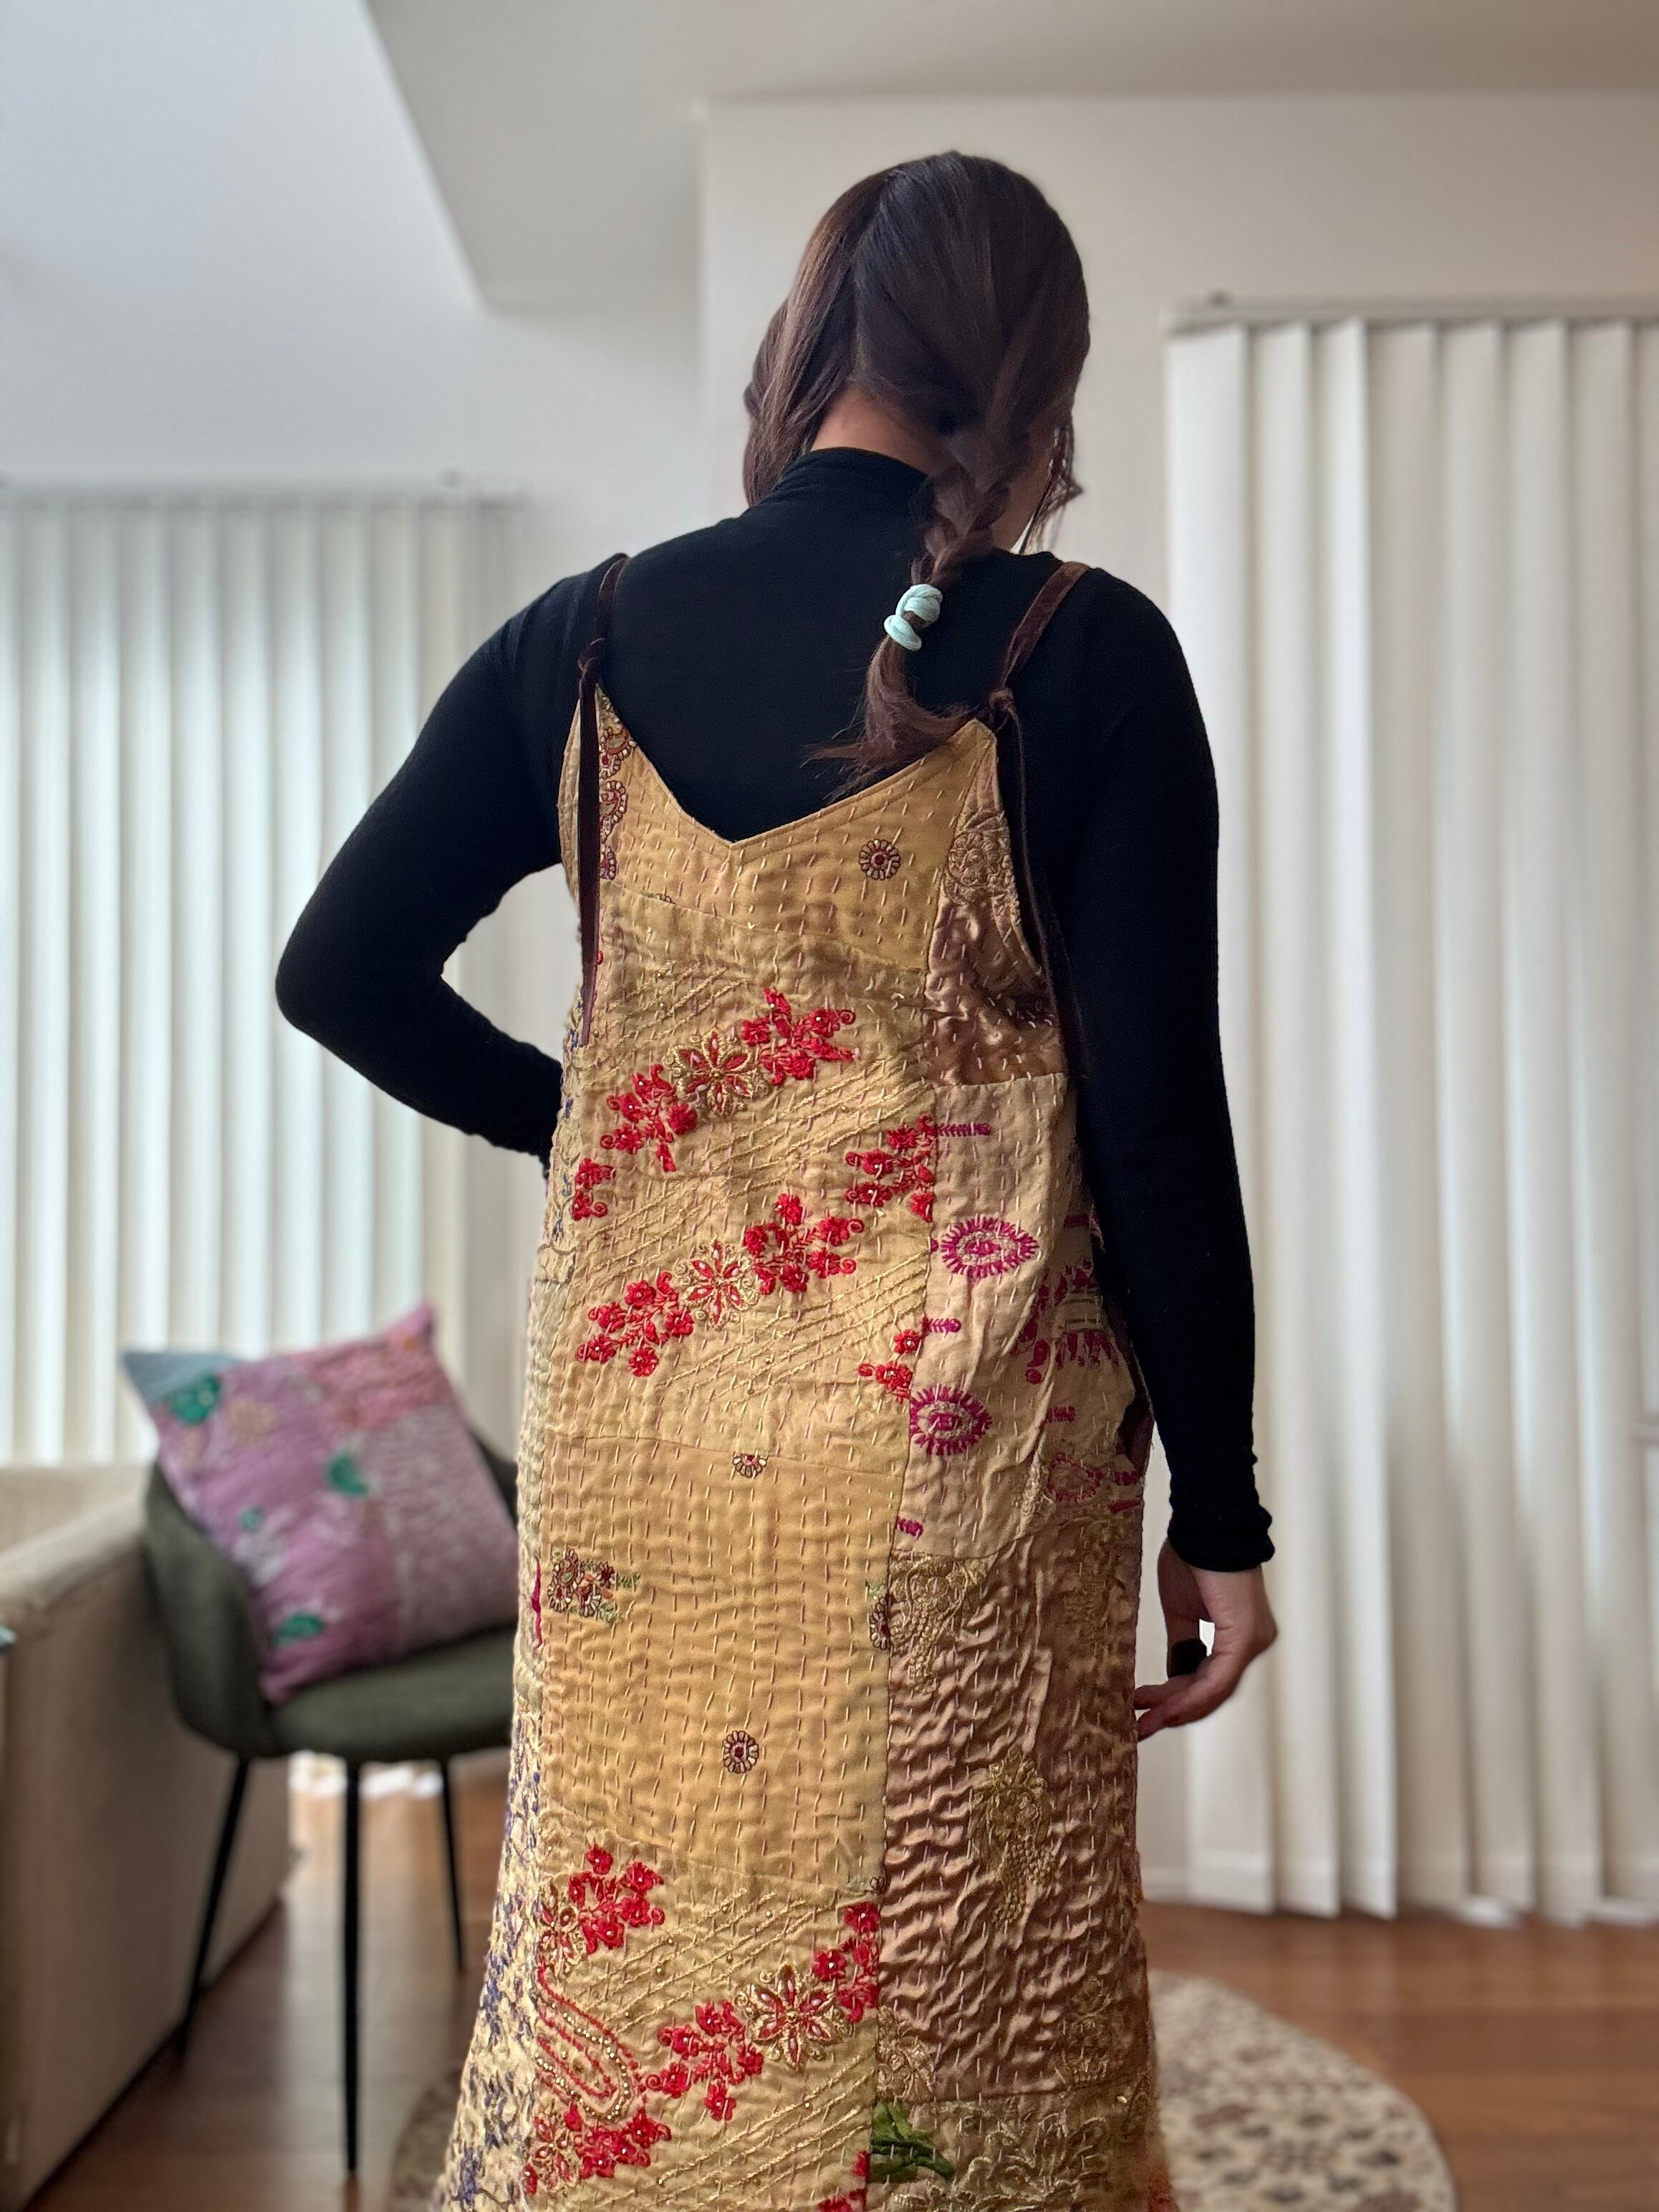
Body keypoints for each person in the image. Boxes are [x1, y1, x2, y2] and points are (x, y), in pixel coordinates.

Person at [279, 150, 1276, 2212]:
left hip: (642, 1475)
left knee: (643, 1990)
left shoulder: (579, 641)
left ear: (809, 341)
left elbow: (339, 972)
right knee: (968, 2000)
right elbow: (1157, 1129)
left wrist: (590, 1123)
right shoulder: (1084, 652)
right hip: (960, 1474)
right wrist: (1223, 1512)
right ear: (1036, 379)